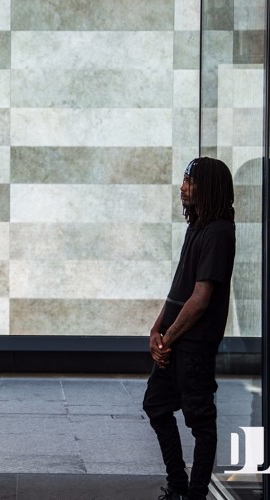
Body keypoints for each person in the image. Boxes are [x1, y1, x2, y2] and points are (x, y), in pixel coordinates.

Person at [142, 157, 236, 500]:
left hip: (194, 345)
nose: (183, 187)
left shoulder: (219, 232)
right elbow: (179, 289)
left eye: (190, 182)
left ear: (208, 187)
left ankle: (195, 494)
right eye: (184, 180)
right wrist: (157, 329)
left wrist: (167, 339)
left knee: (201, 422)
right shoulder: (196, 226)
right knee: (156, 404)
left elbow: (200, 298)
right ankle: (179, 485)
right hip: (175, 341)